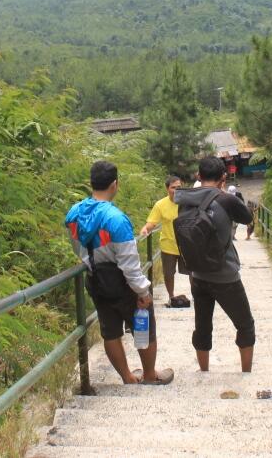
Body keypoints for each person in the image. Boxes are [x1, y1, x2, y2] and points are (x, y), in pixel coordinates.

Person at [66, 161, 174, 385]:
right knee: (144, 326)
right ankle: (150, 375)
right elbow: (129, 264)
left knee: (110, 331)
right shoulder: (116, 219)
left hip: (96, 280)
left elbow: (78, 248)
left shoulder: (74, 214)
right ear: (114, 185)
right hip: (122, 284)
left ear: (91, 183)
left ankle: (127, 377)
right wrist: (142, 292)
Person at [174, 156, 256, 373]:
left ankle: (204, 372)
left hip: (198, 275)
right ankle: (246, 373)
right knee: (245, 325)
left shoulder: (184, 200)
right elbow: (247, 218)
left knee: (202, 326)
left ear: (198, 176)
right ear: (224, 177)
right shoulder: (226, 199)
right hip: (225, 275)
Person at [140, 175, 190, 308]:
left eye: (179, 187)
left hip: (187, 244)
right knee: (168, 273)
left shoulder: (189, 202)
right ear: (167, 189)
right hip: (168, 245)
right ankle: (171, 296)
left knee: (193, 272)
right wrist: (146, 229)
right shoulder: (160, 204)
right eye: (173, 187)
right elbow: (152, 222)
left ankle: (197, 295)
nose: (176, 190)